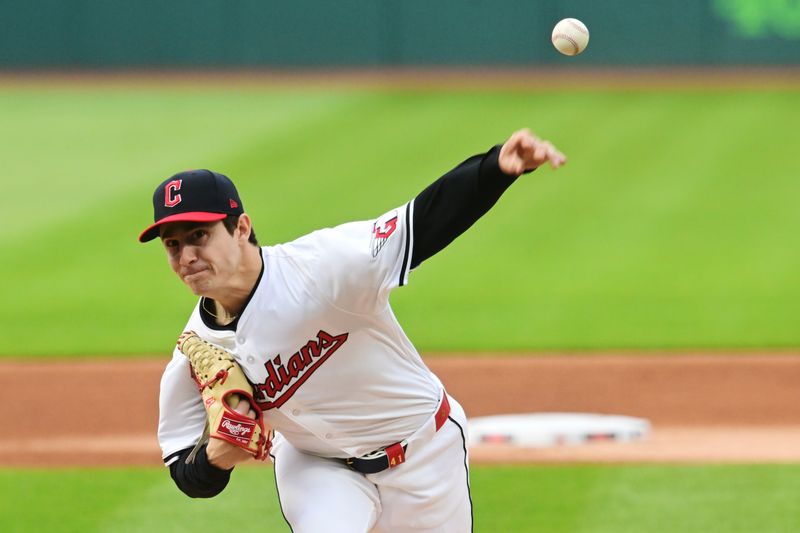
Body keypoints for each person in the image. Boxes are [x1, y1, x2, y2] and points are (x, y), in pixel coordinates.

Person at [139, 128, 566, 532]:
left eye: (198, 235)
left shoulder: (323, 267)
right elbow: (184, 468)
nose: (186, 256)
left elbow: (423, 222)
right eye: (172, 244)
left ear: (242, 228)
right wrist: (215, 460)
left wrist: (494, 169)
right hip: (315, 466)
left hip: (424, 449)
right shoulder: (195, 349)